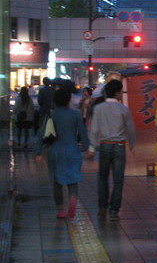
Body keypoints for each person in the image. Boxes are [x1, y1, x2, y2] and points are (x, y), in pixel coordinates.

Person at [34, 88, 90, 219]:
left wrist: (38, 152)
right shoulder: (76, 114)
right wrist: (88, 148)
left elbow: (42, 134)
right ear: (69, 99)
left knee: (57, 182)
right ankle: (72, 199)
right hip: (72, 150)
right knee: (73, 180)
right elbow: (83, 133)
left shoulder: (51, 115)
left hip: (55, 151)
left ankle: (60, 210)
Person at [86, 79, 136, 220]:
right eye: (121, 91)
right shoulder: (123, 109)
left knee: (103, 177)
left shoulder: (98, 108)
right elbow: (131, 129)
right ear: (117, 92)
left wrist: (91, 147)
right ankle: (114, 210)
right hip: (119, 146)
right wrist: (132, 145)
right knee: (118, 179)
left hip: (104, 145)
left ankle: (102, 206)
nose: (121, 94)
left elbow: (94, 129)